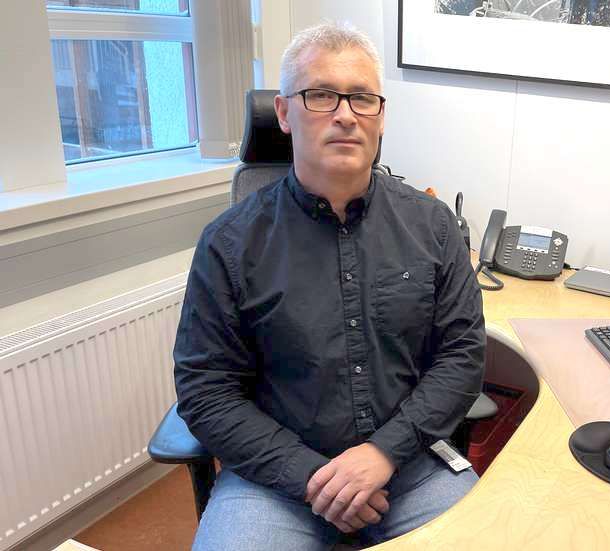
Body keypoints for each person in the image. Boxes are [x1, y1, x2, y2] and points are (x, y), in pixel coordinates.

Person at [172, 21, 485, 550]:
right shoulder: (229, 243)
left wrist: (382, 453)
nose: (345, 114)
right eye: (320, 95)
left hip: (409, 466)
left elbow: (462, 357)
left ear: (380, 115)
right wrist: (315, 479)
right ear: (283, 113)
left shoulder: (433, 227)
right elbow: (207, 391)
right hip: (275, 480)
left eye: (362, 98)